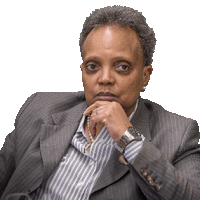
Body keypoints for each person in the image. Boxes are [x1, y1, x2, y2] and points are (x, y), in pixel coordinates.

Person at [0, 5, 200, 200]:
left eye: (122, 67)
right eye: (93, 66)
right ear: (82, 72)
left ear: (145, 76)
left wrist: (128, 138)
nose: (105, 78)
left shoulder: (179, 134)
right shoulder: (40, 107)